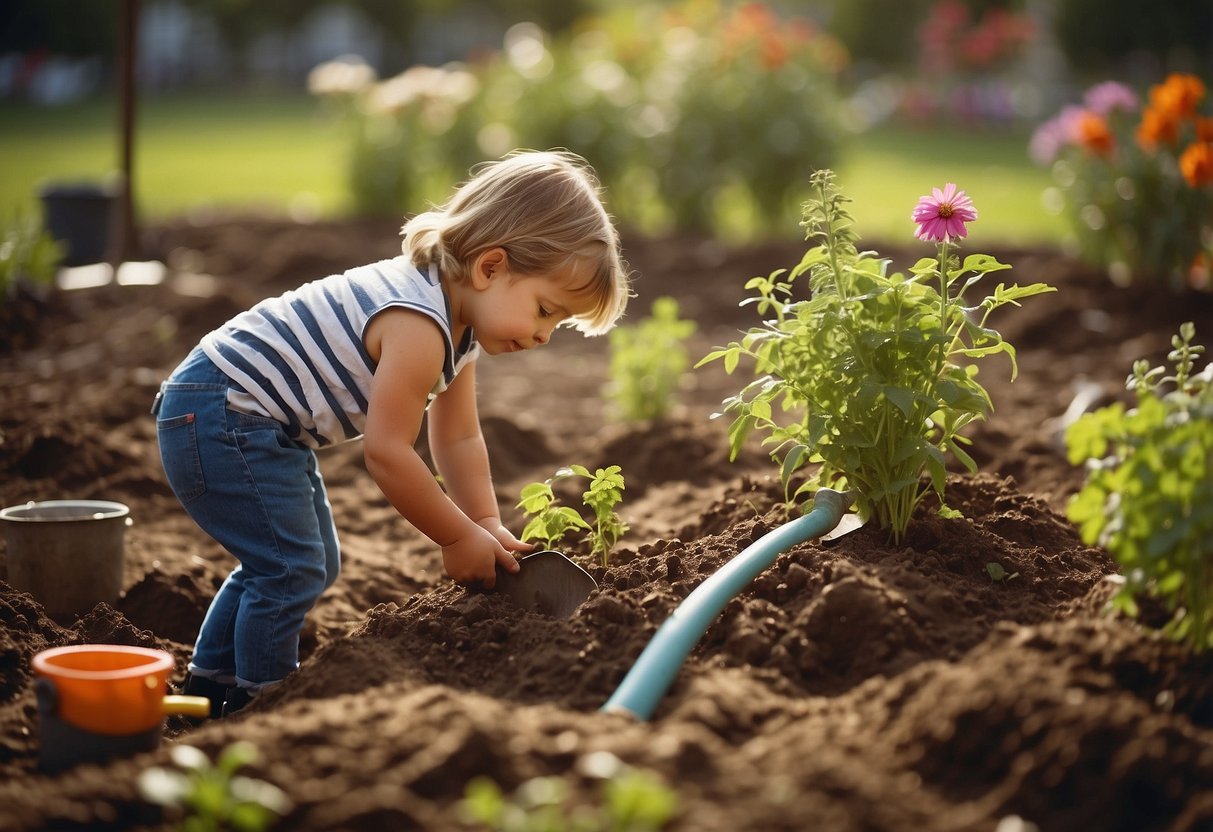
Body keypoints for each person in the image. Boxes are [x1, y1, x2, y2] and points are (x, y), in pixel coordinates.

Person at [152, 150, 631, 717]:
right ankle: (260, 704)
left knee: (302, 562)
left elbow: (456, 439)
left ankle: (209, 688)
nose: (546, 334)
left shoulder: (458, 324)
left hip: (245, 417)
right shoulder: (417, 322)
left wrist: (483, 523)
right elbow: (386, 452)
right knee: (290, 566)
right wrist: (454, 539)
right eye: (545, 310)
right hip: (221, 413)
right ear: (491, 267)